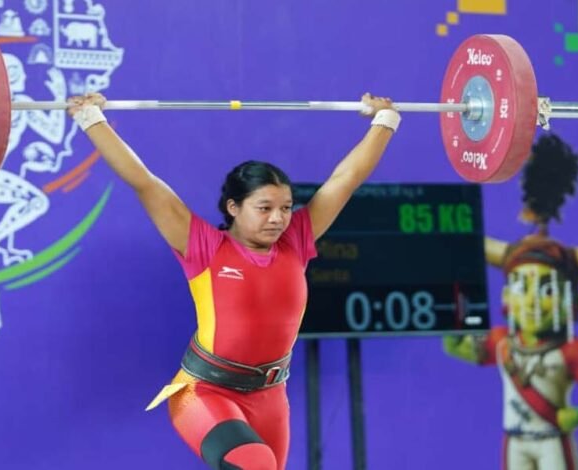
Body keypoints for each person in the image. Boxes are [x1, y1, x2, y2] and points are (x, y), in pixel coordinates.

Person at [67, 92, 400, 470]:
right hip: (201, 391)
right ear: (233, 207)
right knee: (254, 463)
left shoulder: (297, 240)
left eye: (286, 208)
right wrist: (91, 118)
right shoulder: (202, 245)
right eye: (264, 208)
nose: (278, 218)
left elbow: (346, 178)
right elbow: (144, 182)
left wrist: (384, 120)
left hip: (271, 397)